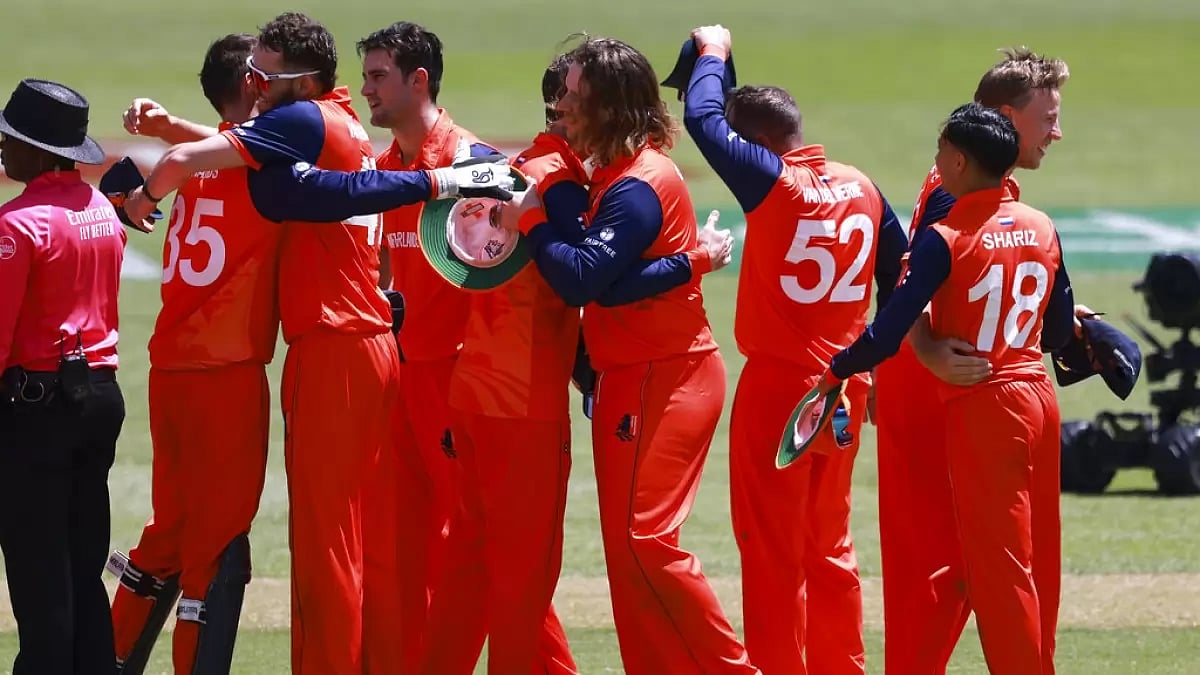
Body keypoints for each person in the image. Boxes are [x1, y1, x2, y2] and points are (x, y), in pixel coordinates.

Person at [113, 13, 479, 672]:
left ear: (301, 79)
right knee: (352, 538)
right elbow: (239, 151)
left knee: (321, 546)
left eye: (265, 71)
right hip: (356, 343)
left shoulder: (302, 123)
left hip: (331, 348)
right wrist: (172, 127)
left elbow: (202, 159)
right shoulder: (336, 125)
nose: (255, 82)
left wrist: (142, 194)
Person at [508, 36, 758, 675]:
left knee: (646, 541)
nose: (560, 105)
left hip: (665, 374)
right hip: (629, 377)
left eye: (572, 94)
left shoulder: (639, 185)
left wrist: (532, 220)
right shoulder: (611, 175)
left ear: (607, 105)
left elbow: (581, 281)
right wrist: (692, 261)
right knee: (627, 556)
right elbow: (612, 287)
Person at [816, 102, 1075, 674]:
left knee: (1001, 573)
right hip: (1039, 400)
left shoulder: (946, 236)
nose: (935, 163)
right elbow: (1058, 331)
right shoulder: (1042, 224)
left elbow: (888, 331)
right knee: (1034, 561)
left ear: (958, 162)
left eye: (940, 153)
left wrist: (838, 369)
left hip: (988, 405)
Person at [683, 24, 908, 675]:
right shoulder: (862, 186)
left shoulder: (774, 182)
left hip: (782, 390)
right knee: (829, 544)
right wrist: (877, 360)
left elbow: (701, 120)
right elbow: (901, 273)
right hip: (845, 385)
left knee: (771, 549)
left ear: (756, 145)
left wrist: (713, 51)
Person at [106, 34, 282, 675]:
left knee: (170, 532)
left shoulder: (203, 163)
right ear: (255, 85)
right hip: (225, 373)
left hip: (172, 367)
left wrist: (166, 126)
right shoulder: (257, 161)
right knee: (218, 547)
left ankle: (106, 657)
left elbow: (218, 143)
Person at [353, 23, 499, 668]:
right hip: (402, 380)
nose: (366, 90)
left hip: (460, 386)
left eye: (378, 77)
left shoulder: (475, 165)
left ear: (418, 81)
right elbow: (385, 271)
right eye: (365, 77)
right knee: (399, 549)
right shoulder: (386, 170)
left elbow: (511, 283)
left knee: (477, 549)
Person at [0, 78, 126, 675]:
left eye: (9, 138)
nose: (3, 147)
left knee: (39, 569)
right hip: (99, 397)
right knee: (82, 563)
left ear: (39, 149)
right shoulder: (101, 209)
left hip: (37, 407)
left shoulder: (16, 224)